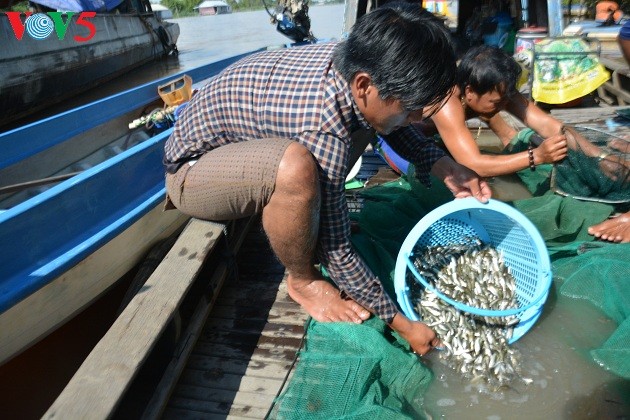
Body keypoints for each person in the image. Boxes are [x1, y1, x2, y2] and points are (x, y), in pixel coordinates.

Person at [163, 2, 491, 357]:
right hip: (191, 173)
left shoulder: (354, 63)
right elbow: (336, 251)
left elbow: (389, 123)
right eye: (411, 107)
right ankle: (301, 281)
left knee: (374, 124)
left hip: (247, 146)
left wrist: (442, 164)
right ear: (364, 85)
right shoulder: (322, 124)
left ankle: (312, 207)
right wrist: (403, 323)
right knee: (295, 168)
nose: (416, 118)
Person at [418, 44, 569, 177]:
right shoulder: (447, 102)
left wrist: (591, 154)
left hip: (444, 137)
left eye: (506, 100)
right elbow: (474, 165)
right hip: (411, 142)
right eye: (497, 102)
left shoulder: (493, 92)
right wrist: (536, 156)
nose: (504, 106)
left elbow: (540, 126)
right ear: (469, 92)